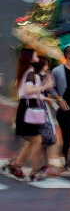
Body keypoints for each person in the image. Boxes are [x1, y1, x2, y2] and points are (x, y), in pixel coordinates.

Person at [4, 49, 52, 180]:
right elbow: (28, 90)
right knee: (36, 140)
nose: (37, 58)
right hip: (29, 108)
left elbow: (27, 92)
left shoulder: (26, 71)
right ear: (30, 58)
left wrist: (44, 98)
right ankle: (33, 170)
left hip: (27, 107)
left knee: (33, 140)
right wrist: (44, 88)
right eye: (35, 56)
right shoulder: (30, 72)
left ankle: (18, 165)